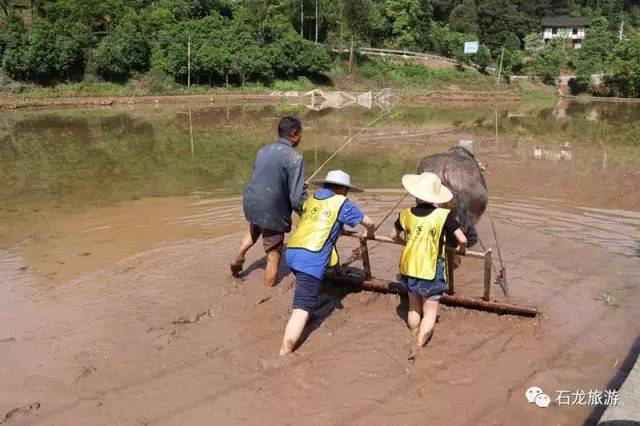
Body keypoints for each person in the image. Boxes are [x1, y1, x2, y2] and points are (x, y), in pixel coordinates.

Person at [280, 170, 376, 355]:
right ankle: (284, 353)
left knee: (305, 291)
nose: (346, 194)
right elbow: (369, 223)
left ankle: (306, 313)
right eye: (346, 190)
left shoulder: (312, 199)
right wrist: (370, 234)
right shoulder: (342, 202)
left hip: (292, 252)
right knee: (301, 308)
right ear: (341, 189)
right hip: (311, 258)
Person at [390, 172, 467, 357]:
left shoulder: (405, 214)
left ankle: (413, 333)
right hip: (430, 269)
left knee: (413, 307)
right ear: (436, 196)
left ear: (416, 194)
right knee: (430, 312)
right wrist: (460, 251)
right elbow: (462, 239)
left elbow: (393, 235)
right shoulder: (444, 215)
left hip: (408, 267)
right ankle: (418, 347)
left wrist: (407, 244)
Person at [230, 116, 307, 287]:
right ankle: (267, 295)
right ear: (294, 134)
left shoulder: (262, 151)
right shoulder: (295, 158)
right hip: (272, 209)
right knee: (273, 254)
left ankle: (238, 256)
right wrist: (309, 214)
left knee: (254, 229)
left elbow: (267, 177)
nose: (300, 138)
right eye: (300, 135)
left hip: (251, 201)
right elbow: (296, 199)